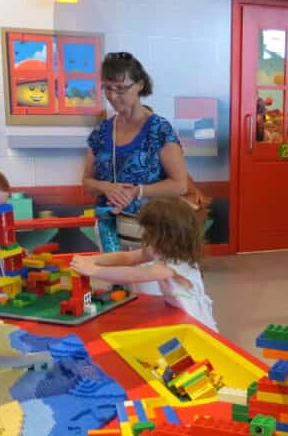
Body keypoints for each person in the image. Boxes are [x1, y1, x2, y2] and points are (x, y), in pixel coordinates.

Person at [82, 53, 187, 262]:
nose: (113, 96)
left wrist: (137, 191)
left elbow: (180, 185)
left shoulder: (159, 129)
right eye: (107, 88)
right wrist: (106, 187)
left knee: (149, 290)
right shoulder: (102, 131)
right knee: (119, 290)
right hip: (108, 228)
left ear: (139, 85)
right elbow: (86, 181)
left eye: (121, 89)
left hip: (150, 229)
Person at [69, 198, 216, 330]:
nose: (145, 236)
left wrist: (93, 270)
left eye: (151, 233)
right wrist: (93, 260)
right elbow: (127, 258)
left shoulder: (173, 265)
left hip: (195, 320)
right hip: (176, 312)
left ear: (168, 236)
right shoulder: (161, 250)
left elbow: (133, 275)